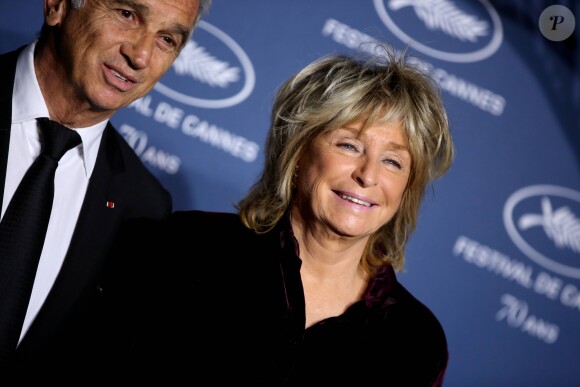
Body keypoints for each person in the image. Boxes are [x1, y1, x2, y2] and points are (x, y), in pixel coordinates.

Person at [104, 44, 454, 385]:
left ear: (408, 186)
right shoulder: (190, 247)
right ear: (298, 152)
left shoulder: (417, 342)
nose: (368, 175)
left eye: (393, 161)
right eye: (349, 145)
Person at [0, 0, 212, 379]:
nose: (141, 55)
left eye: (166, 39)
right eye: (127, 15)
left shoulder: (144, 206)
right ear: (58, 6)